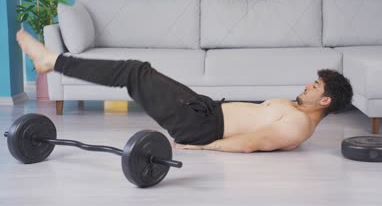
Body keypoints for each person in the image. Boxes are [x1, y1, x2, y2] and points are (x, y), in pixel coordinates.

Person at [16, 28, 353, 153]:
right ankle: (53, 61)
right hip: (205, 109)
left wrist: (203, 146)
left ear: (324, 100)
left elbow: (254, 143)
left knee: (134, 72)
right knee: (140, 71)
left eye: (315, 86)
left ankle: (53, 61)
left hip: (202, 126)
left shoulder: (298, 125)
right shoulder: (296, 113)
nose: (308, 85)